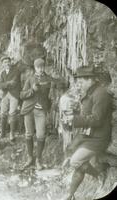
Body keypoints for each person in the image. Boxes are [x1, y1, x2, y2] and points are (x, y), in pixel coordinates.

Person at [62, 66, 113, 200]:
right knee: (72, 155)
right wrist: (73, 115)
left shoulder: (101, 94)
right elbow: (87, 115)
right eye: (78, 80)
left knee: (75, 161)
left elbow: (97, 120)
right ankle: (71, 194)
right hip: (88, 134)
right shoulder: (90, 92)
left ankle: (99, 173)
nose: (79, 83)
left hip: (99, 137)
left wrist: (76, 119)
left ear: (90, 80)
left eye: (82, 81)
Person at [20, 58, 51, 170]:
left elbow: (50, 95)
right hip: (29, 110)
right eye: (38, 67)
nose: (41, 69)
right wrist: (32, 90)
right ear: (35, 67)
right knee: (28, 134)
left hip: (41, 110)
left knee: (41, 135)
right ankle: (29, 158)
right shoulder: (30, 79)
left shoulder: (48, 79)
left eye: (42, 66)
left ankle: (38, 159)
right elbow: (22, 95)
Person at [0, 56, 21, 142]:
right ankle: (3, 133)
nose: (7, 63)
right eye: (5, 62)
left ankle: (12, 133)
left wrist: (4, 84)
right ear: (2, 64)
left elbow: (14, 83)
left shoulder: (16, 71)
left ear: (10, 63)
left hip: (14, 94)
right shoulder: (2, 73)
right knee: (3, 113)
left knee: (12, 113)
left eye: (8, 62)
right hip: (5, 94)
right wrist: (7, 83)